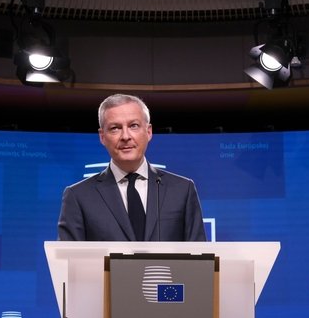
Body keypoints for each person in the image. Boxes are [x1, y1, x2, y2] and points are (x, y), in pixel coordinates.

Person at [58, 93, 206, 241]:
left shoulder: (182, 190)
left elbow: (201, 259)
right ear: (102, 137)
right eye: (115, 128)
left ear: (148, 132)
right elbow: (67, 261)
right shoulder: (78, 196)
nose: (125, 136)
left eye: (133, 126)